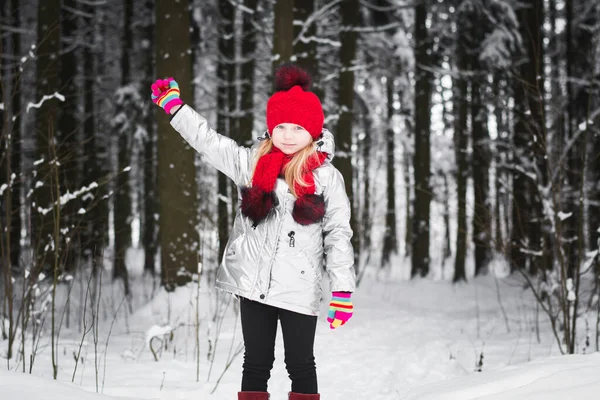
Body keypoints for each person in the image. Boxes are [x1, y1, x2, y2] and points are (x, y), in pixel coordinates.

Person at [151, 63, 356, 400]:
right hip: (254, 285)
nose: (288, 135)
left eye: (297, 128)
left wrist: (342, 291)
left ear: (313, 131)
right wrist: (176, 108)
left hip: (299, 288)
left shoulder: (326, 177)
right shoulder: (250, 163)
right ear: (271, 128)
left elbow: (337, 234)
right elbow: (209, 142)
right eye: (281, 127)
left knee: (300, 364)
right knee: (256, 363)